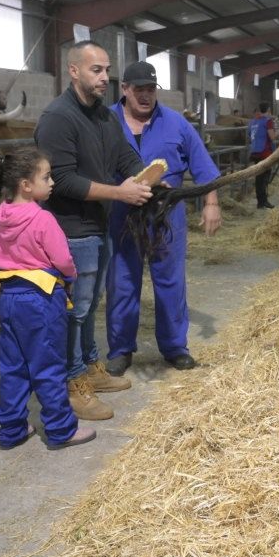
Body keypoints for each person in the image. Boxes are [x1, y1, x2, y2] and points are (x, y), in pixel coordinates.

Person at [34, 41, 151, 421]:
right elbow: (63, 180)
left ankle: (89, 367)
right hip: (70, 229)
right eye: (96, 70)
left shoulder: (103, 116)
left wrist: (149, 176)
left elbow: (124, 156)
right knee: (75, 310)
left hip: (96, 226)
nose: (105, 78)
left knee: (89, 305)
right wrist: (121, 192)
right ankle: (72, 384)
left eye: (106, 70)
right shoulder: (58, 117)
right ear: (73, 71)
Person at [104, 61, 223, 375]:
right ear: (124, 89)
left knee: (170, 280)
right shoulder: (105, 121)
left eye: (151, 89)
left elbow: (203, 166)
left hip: (166, 213)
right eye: (138, 89)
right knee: (122, 280)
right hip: (121, 212)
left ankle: (174, 347)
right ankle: (120, 349)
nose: (145, 96)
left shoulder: (176, 124)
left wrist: (211, 202)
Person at [0, 146, 95, 451]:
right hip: (41, 300)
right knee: (48, 366)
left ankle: (12, 429)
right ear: (26, 185)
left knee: (13, 366)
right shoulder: (42, 219)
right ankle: (60, 429)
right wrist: (70, 278)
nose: (52, 182)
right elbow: (63, 259)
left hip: (8, 298)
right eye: (46, 176)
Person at [249, 102, 279, 209]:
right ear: (268, 109)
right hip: (265, 152)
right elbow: (272, 137)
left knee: (259, 177)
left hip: (254, 151)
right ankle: (263, 201)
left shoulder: (253, 122)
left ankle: (260, 201)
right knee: (264, 177)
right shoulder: (268, 121)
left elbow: (250, 136)